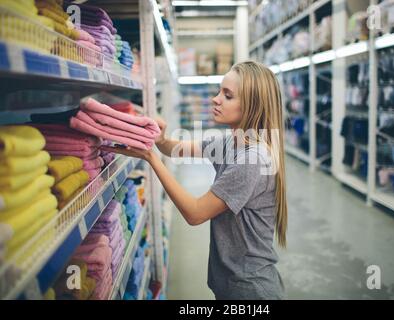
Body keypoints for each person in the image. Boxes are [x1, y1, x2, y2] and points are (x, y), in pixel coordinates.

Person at [101, 61, 287, 300]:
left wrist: (150, 158)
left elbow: (195, 213)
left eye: (227, 96)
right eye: (219, 91)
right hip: (232, 281)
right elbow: (175, 149)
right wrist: (159, 139)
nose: (215, 99)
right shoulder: (231, 142)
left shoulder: (252, 159)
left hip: (250, 288)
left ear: (252, 105)